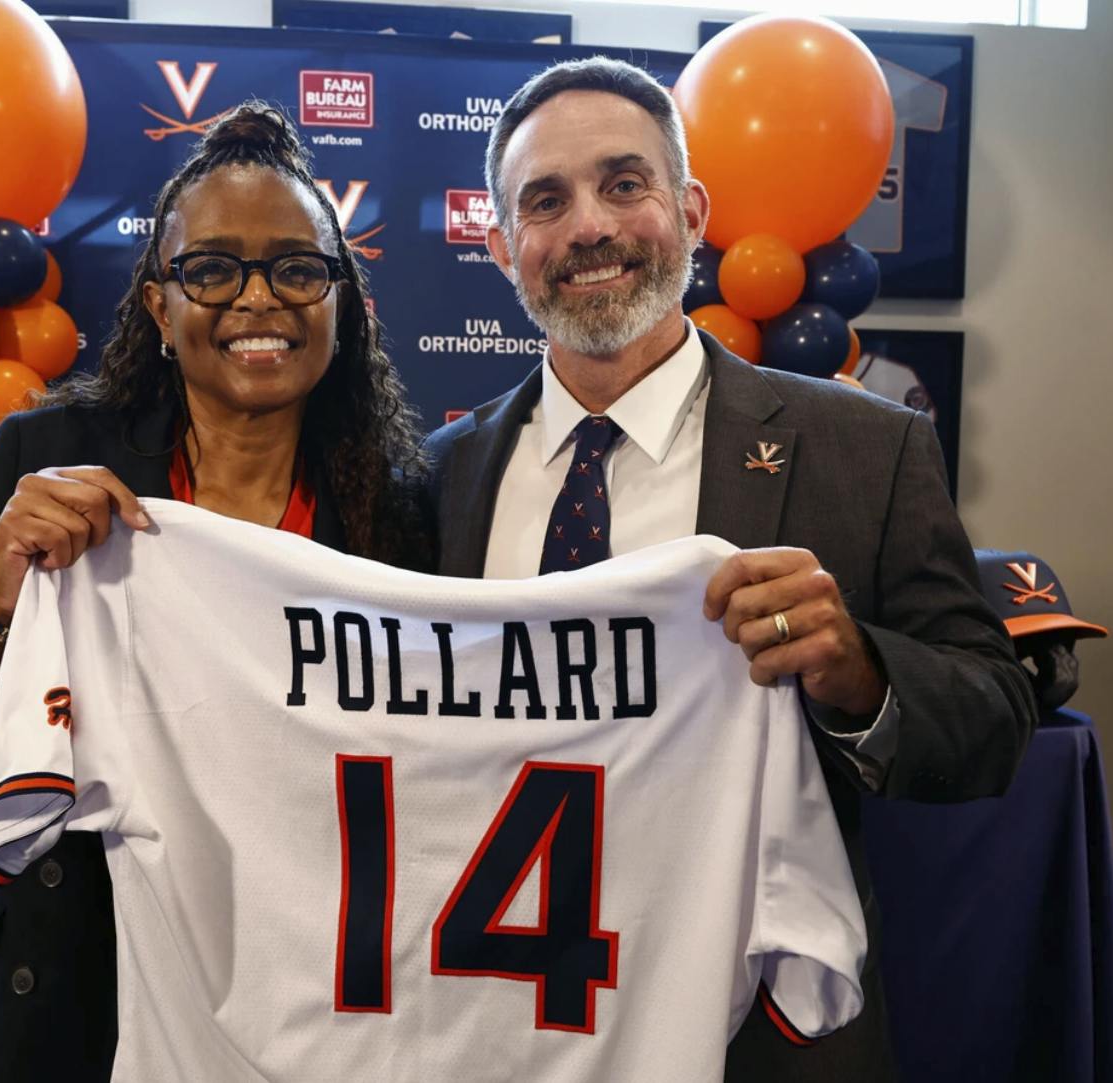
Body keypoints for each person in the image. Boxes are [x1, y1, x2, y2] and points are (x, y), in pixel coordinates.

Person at [423, 57, 1036, 1080]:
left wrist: (862, 672)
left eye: (625, 184)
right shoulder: (433, 481)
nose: (589, 228)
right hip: (491, 1023)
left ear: (691, 211)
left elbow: (993, 725)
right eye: (545, 200)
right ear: (498, 245)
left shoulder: (864, 450)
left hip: (752, 1036)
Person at [0, 103, 429, 1083]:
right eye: (211, 270)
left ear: (341, 302)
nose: (258, 299)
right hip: (89, 1008)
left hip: (322, 1013)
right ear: (160, 306)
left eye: (297, 268)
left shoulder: (406, 507)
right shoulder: (46, 460)